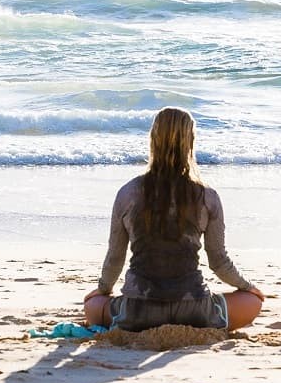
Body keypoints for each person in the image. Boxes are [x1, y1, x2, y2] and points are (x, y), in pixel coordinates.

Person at [83, 107, 264, 331]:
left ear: (153, 140)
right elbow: (218, 261)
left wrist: (102, 290)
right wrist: (247, 286)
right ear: (191, 141)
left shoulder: (128, 193)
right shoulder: (207, 196)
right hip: (193, 309)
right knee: (253, 301)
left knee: (92, 304)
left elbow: (115, 256)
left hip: (137, 311)